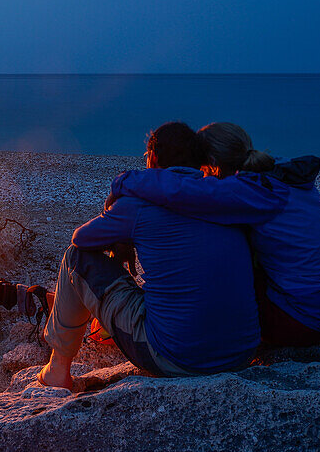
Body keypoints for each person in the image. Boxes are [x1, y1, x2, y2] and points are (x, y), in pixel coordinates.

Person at [39, 121, 260, 389]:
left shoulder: (140, 204)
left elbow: (82, 240)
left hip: (177, 358)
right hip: (242, 353)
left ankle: (57, 370)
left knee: (76, 258)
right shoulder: (225, 197)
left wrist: (122, 231)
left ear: (153, 156)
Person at [110, 122, 320, 347]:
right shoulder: (282, 176)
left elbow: (180, 192)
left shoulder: (251, 191)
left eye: (204, 168)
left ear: (213, 163)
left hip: (306, 320)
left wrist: (123, 181)